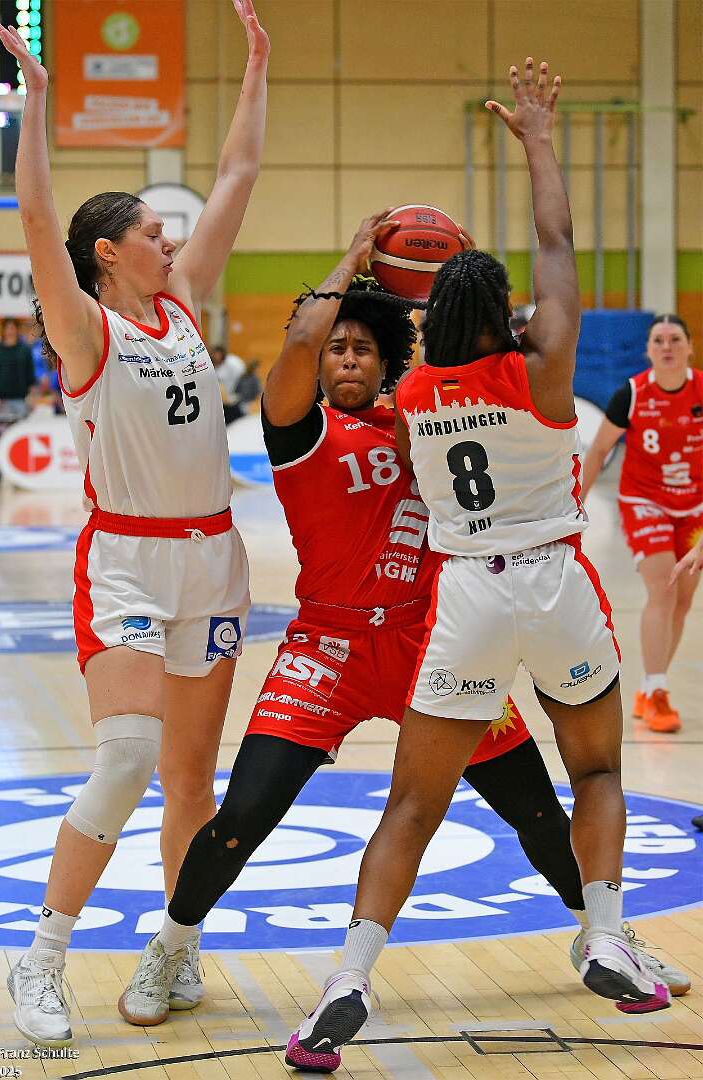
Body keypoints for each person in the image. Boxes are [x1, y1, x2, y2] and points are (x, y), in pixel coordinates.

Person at [117, 220, 688, 1029]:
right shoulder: (298, 427)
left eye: (362, 349)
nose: (346, 359)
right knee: (243, 816)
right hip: (329, 650)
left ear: (388, 360)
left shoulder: (422, 412)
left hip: (436, 642)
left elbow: (488, 383)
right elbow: (300, 343)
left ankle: (607, 937)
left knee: (536, 812)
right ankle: (172, 944)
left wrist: (452, 291)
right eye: (336, 350)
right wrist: (354, 262)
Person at [287, 57, 672, 1073]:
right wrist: (539, 137)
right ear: (507, 311)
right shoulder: (543, 369)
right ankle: (605, 935)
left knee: (413, 804)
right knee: (596, 768)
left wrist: (368, 265)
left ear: (429, 321)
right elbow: (558, 243)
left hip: (465, 599)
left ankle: (349, 979)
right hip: (556, 585)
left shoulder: (413, 397)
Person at [0, 0, 268, 1049]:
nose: (172, 238)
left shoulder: (186, 300)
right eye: (153, 232)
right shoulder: (84, 328)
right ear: (109, 253)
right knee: (126, 757)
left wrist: (255, 66)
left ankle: (178, 946)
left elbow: (239, 173)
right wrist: (38, 99)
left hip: (215, 561)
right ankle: (44, 955)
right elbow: (34, 222)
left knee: (193, 780)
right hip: (127, 560)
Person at [581, 315, 702, 733]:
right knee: (664, 589)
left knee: (682, 601)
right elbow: (598, 451)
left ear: (689, 347)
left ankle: (649, 689)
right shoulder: (631, 394)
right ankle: (657, 690)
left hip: (694, 508)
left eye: (675, 339)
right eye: (658, 340)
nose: (667, 346)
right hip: (644, 502)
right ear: (647, 350)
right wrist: (576, 506)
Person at [0, 317, 37, 480]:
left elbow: (30, 375)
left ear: (16, 330)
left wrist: (32, 396)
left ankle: (22, 473)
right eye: (7, 328)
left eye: (12, 328)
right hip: (0, 401)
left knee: (21, 437)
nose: (10, 331)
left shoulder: (24, 350)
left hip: (20, 400)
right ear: (3, 330)